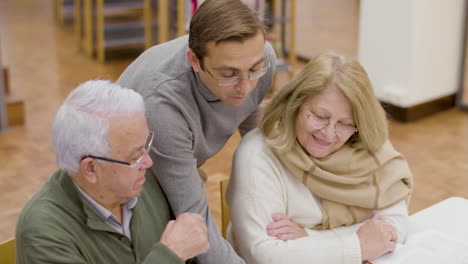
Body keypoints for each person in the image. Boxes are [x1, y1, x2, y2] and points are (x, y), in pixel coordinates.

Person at [116, 0, 276, 263]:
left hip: (178, 163)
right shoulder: (162, 105)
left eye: (254, 70)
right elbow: (193, 218)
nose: (246, 87)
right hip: (133, 191)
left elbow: (260, 149)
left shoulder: (259, 58)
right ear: (195, 60)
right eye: (228, 74)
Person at [226, 52, 414, 264]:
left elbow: (394, 226)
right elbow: (266, 255)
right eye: (320, 117)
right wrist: (359, 245)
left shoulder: (367, 144)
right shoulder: (258, 154)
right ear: (295, 104)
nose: (329, 133)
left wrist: (310, 237)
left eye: (344, 123)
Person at [15, 80, 209, 264]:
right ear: (91, 168)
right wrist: (170, 255)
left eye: (146, 146)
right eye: (135, 156)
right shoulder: (44, 230)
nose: (148, 162)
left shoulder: (145, 179)